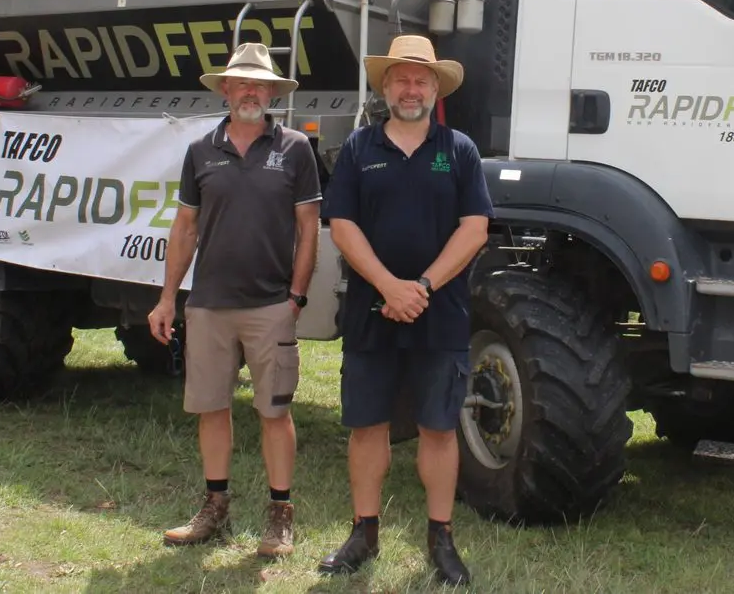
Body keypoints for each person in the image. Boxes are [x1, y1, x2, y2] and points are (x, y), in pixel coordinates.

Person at [316, 34, 494, 587]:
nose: (410, 87)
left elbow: (476, 229)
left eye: (420, 79)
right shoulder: (358, 149)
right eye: (400, 78)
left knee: (439, 429)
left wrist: (419, 286)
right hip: (373, 311)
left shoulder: (460, 150)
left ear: (434, 87)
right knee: (367, 426)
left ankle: (441, 539)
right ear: (385, 86)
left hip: (440, 315)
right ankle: (363, 533)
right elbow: (341, 225)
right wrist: (389, 286)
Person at [148, 41, 322, 560]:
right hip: (208, 305)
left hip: (272, 305)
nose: (251, 91)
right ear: (226, 89)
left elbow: (308, 230)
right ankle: (215, 509)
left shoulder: (295, 149)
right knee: (212, 409)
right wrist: (165, 299)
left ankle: (280, 515)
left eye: (260, 84)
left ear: (272, 93)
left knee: (274, 412)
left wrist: (295, 296)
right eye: (242, 82)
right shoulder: (201, 151)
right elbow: (185, 227)